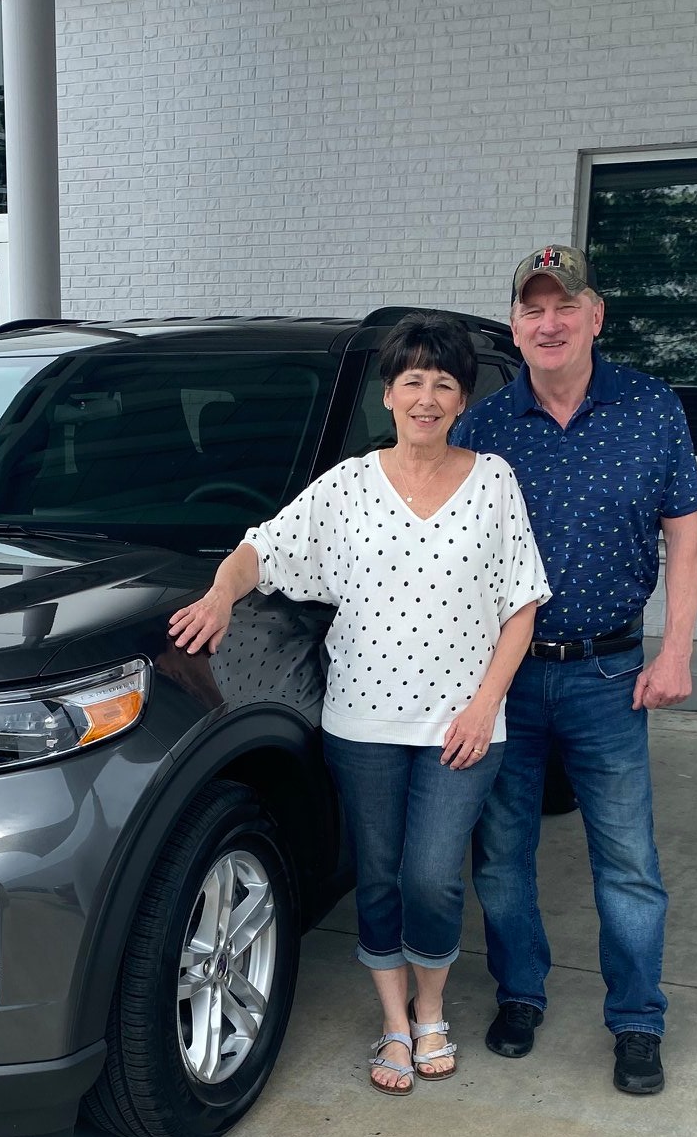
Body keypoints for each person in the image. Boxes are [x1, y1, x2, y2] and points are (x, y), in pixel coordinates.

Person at [170, 312, 550, 1096]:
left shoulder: (494, 482)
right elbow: (261, 548)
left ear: (462, 399)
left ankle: (432, 1007)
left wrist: (486, 705)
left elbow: (522, 603)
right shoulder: (348, 486)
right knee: (378, 876)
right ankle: (395, 1023)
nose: (426, 397)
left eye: (443, 383)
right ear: (388, 394)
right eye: (412, 380)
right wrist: (218, 595)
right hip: (362, 723)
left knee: (433, 876)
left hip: (462, 725)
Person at [449, 245, 697, 1096]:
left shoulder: (650, 407)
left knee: (627, 860)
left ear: (596, 316)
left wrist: (676, 650)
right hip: (507, 678)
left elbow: (685, 538)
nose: (549, 322)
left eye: (565, 306)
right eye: (533, 309)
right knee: (502, 856)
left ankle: (637, 1020)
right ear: (515, 326)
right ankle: (520, 993)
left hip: (610, 674)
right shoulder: (484, 426)